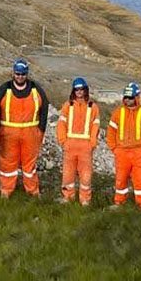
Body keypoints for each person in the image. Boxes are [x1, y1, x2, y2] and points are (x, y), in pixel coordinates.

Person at [0, 58, 49, 198]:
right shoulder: (3, 90)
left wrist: (40, 131)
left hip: (31, 135)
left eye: (23, 74)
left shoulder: (37, 90)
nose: (20, 77)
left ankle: (32, 191)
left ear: (27, 74)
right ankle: (6, 190)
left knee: (29, 165)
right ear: (13, 73)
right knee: (7, 164)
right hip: (8, 135)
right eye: (17, 74)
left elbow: (44, 110)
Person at [106, 82, 141, 210]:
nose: (128, 100)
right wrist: (114, 148)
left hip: (139, 153)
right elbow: (111, 131)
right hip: (121, 152)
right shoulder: (118, 113)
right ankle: (119, 203)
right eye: (126, 97)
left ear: (137, 98)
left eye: (131, 97)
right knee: (120, 180)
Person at [56, 77, 100, 205]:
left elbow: (95, 126)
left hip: (85, 146)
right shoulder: (67, 106)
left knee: (85, 175)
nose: (79, 92)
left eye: (81, 89)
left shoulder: (93, 107)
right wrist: (63, 141)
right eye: (77, 90)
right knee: (68, 173)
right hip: (70, 145)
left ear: (85, 90)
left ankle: (85, 199)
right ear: (73, 91)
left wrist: (92, 143)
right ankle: (68, 197)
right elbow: (61, 124)